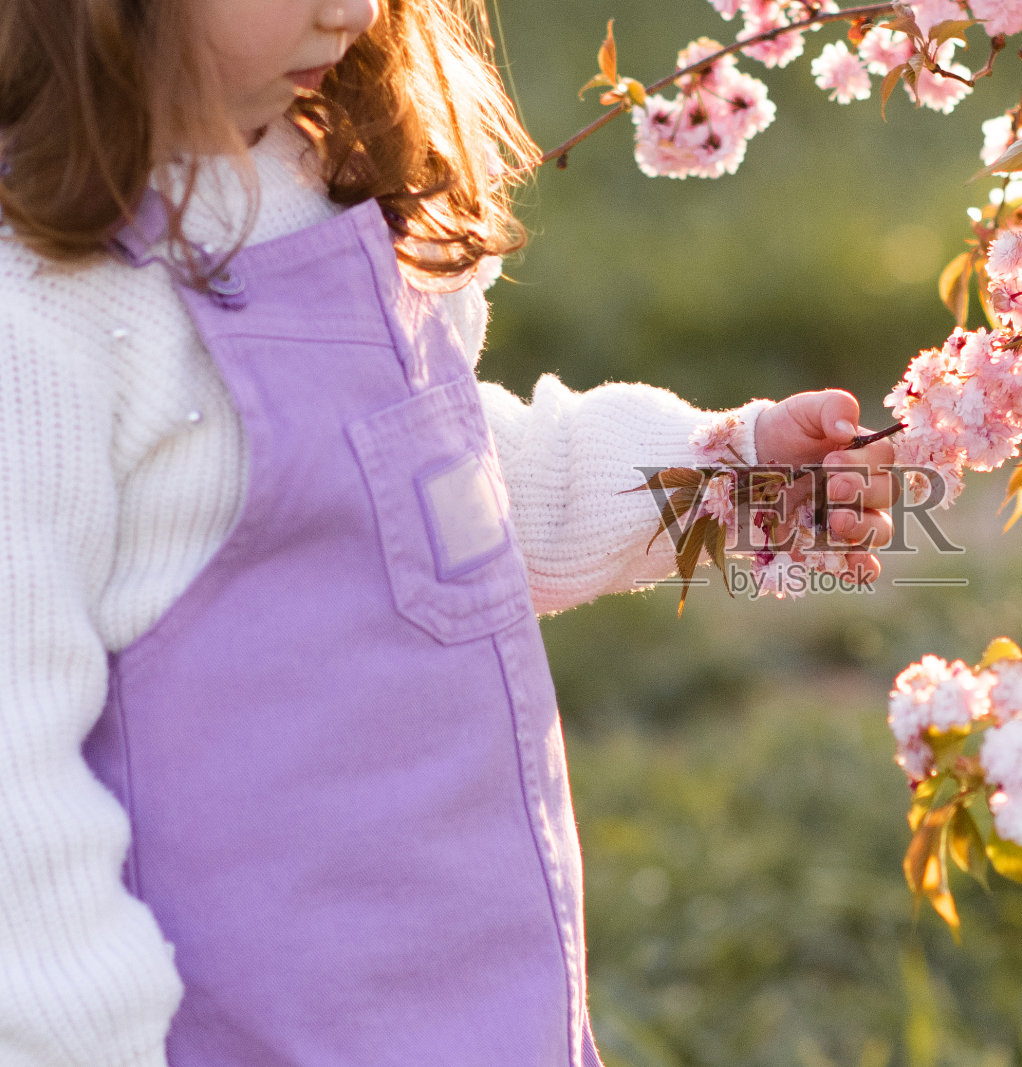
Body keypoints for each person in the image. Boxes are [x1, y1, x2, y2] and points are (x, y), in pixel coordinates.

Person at [0, 0, 897, 1063]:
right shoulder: (46, 314)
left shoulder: (330, 185)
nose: (352, 8)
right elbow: (17, 785)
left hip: (469, 994)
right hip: (225, 1025)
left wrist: (718, 483)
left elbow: (429, 485)